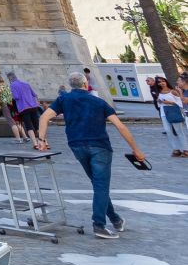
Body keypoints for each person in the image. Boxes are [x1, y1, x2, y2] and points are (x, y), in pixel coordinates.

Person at [36, 72, 146, 239]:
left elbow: (44, 117)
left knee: (98, 185)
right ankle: (99, 225)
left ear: (71, 85)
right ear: (85, 84)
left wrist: (41, 140)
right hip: (99, 146)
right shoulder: (99, 102)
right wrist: (136, 149)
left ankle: (116, 220)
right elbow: (120, 126)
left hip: (77, 146)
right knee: (101, 185)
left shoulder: (63, 100)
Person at [153, 78, 187, 157]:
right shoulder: (159, 93)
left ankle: (186, 150)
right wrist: (159, 101)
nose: (161, 83)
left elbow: (180, 103)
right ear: (157, 84)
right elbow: (160, 105)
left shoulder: (173, 91)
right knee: (168, 131)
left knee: (179, 131)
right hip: (164, 113)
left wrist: (170, 102)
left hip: (174, 112)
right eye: (159, 82)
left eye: (163, 81)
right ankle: (176, 150)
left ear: (166, 82)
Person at [8, 72, 43, 144]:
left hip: (24, 108)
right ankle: (43, 142)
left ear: (10, 78)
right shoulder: (26, 83)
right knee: (36, 125)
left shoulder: (12, 85)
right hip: (33, 106)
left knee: (29, 126)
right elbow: (34, 94)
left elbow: (16, 97)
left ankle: (35, 143)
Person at [0, 74, 27, 143]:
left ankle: (18, 139)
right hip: (12, 105)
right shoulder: (6, 85)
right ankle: (25, 137)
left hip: (5, 105)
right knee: (17, 121)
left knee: (11, 122)